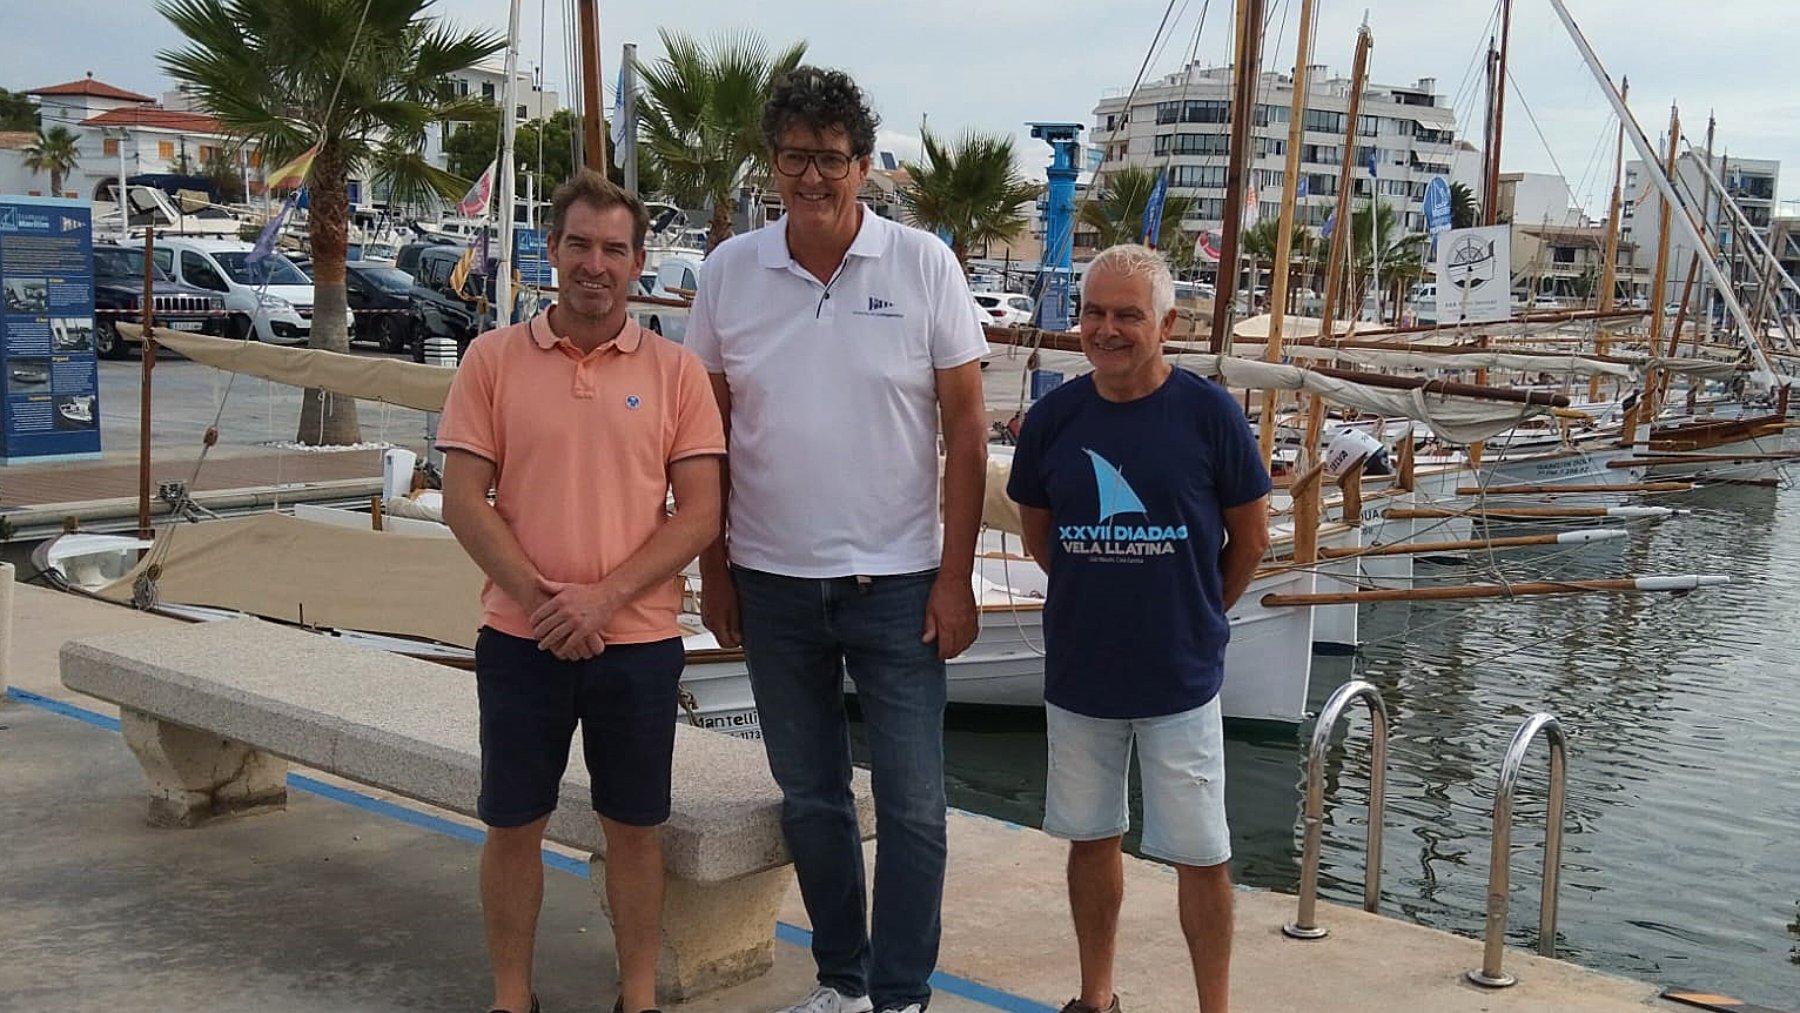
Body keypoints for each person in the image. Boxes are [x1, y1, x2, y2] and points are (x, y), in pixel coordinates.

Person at [686, 66, 990, 1013]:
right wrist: (715, 568)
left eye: (830, 158)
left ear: (862, 165)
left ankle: (900, 994)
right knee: (810, 800)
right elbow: (707, 434)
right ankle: (843, 982)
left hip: (899, 582)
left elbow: (969, 429)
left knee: (912, 808)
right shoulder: (730, 271)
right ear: (771, 164)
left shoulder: (924, 265)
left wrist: (956, 577)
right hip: (770, 582)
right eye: (793, 157)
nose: (811, 176)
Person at [438, 169, 726, 1013]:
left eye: (613, 249)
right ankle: (512, 998)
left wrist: (600, 600)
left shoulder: (677, 375)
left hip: (634, 645)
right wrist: (543, 601)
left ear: (638, 262)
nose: (594, 264)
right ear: (551, 252)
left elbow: (700, 512)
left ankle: (637, 998)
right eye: (578, 245)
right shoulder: (491, 360)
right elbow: (463, 499)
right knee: (512, 824)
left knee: (636, 832)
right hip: (520, 640)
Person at [1005, 244, 1272, 1013]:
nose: (1107, 329)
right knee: (1090, 839)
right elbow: (1039, 531)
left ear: (1167, 323)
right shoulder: (1055, 418)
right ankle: (1096, 996)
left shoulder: (1209, 414)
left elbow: (1250, 538)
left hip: (1181, 676)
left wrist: (1194, 610)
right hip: (1081, 672)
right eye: (1094, 312)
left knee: (1202, 854)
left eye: (1127, 314)